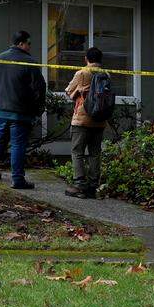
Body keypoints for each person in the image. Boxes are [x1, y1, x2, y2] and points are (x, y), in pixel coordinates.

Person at [0, 30, 45, 189]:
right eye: (28, 43)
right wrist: (38, 109)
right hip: (20, 112)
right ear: (21, 43)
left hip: (0, 110)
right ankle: (17, 179)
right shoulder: (29, 62)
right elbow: (40, 88)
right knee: (18, 144)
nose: (30, 46)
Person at [64, 47, 109, 199]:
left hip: (82, 119)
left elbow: (69, 91)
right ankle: (93, 185)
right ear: (100, 59)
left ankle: (79, 185)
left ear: (86, 59)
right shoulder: (106, 74)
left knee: (77, 152)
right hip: (100, 119)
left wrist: (77, 92)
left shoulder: (82, 73)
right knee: (95, 153)